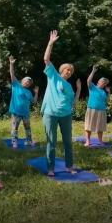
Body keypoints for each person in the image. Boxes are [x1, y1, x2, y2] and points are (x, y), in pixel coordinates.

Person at [42, 30, 81, 175]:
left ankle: (69, 166)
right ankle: (51, 168)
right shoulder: (54, 76)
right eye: (67, 70)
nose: (69, 72)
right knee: (51, 142)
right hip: (51, 113)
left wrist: (78, 90)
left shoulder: (70, 87)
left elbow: (73, 103)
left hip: (66, 115)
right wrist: (50, 43)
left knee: (68, 142)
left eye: (70, 71)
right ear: (61, 70)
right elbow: (46, 59)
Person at [8, 56, 39, 148]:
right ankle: (14, 142)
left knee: (27, 128)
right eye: (26, 81)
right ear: (22, 81)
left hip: (25, 113)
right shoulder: (16, 85)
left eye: (29, 83)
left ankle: (29, 141)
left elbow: (33, 101)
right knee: (15, 128)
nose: (27, 83)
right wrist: (11, 64)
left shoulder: (29, 92)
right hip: (16, 112)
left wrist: (36, 93)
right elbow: (12, 74)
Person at [84, 65, 110, 146]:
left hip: (102, 110)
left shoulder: (104, 92)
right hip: (92, 109)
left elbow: (106, 101)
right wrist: (93, 71)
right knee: (89, 126)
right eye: (103, 81)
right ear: (98, 82)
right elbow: (88, 80)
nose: (104, 83)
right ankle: (88, 141)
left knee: (100, 127)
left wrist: (108, 93)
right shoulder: (93, 87)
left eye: (105, 83)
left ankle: (100, 141)